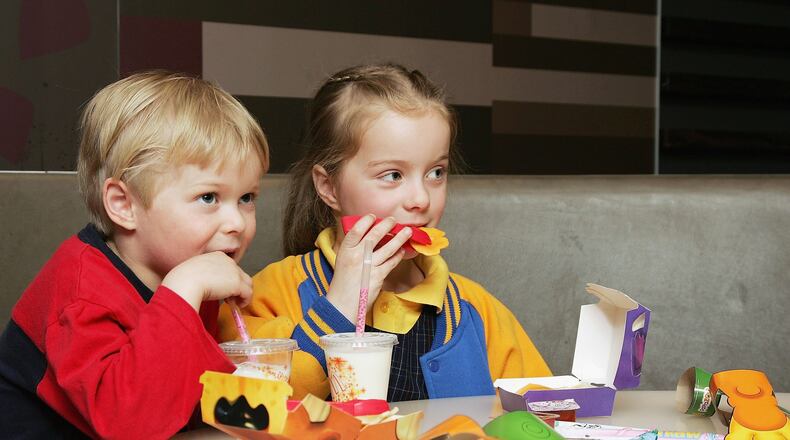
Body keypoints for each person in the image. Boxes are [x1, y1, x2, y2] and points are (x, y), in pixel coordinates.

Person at [219, 63, 550, 402]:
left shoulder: (477, 311)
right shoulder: (265, 296)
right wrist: (339, 306)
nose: (421, 199)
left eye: (436, 172)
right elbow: (255, 410)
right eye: (392, 175)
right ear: (329, 186)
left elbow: (547, 414)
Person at [0, 71, 269, 438]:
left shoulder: (187, 267)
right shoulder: (83, 293)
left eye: (247, 198)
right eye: (208, 197)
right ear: (124, 205)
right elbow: (131, 427)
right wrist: (183, 289)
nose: (237, 221)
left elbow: (189, 396)